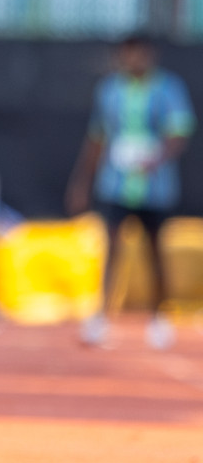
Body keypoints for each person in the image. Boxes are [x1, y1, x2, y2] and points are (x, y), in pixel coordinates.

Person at [67, 35, 195, 349]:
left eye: (139, 54)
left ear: (150, 55)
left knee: (155, 253)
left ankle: (160, 319)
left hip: (156, 188)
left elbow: (180, 131)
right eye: (128, 55)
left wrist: (156, 158)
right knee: (111, 249)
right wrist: (82, 182)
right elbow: (97, 138)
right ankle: (100, 318)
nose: (134, 61)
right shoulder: (110, 90)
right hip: (115, 185)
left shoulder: (168, 88)